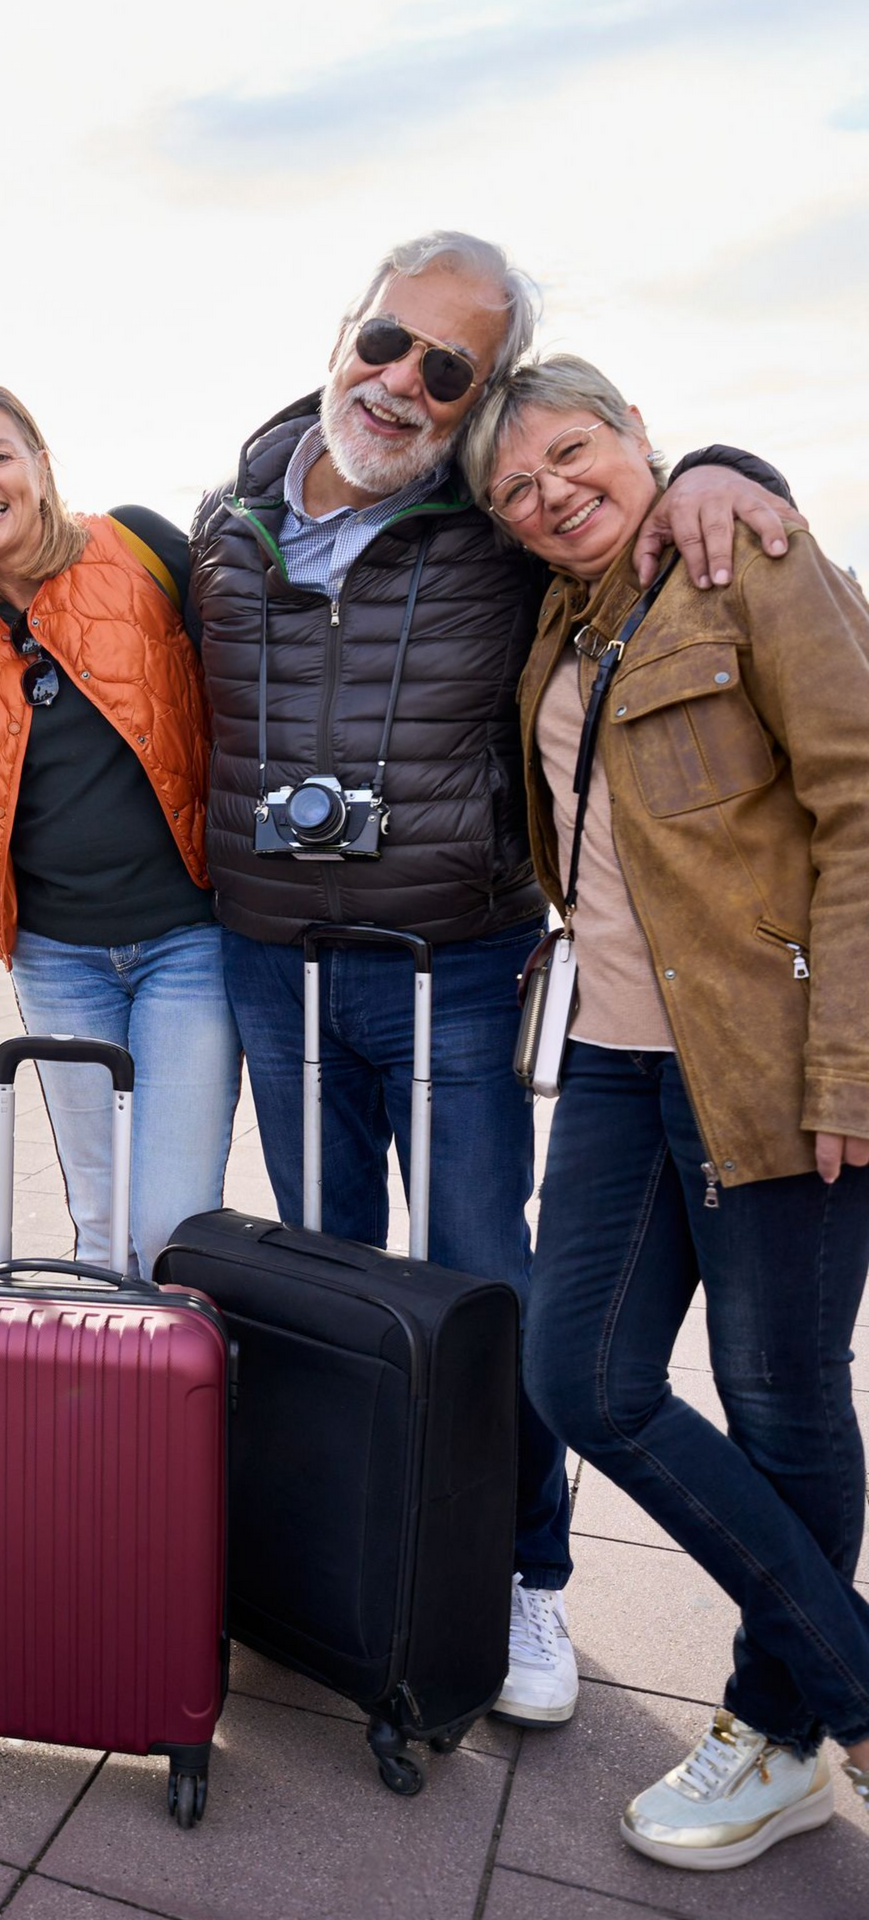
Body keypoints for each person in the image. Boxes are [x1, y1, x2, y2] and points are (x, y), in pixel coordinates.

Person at [187, 229, 798, 1732]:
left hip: (449, 967)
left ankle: (524, 1576)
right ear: (349, 329)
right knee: (317, 1281)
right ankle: (341, 1562)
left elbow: (638, 521)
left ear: (478, 401)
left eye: (447, 371)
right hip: (274, 965)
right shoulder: (221, 520)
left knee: (486, 1285)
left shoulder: (496, 527)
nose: (400, 383)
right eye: (389, 343)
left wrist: (729, 458)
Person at [456, 355, 869, 1867]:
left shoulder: (747, 553)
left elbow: (862, 795)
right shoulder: (567, 619)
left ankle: (777, 1732)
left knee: (782, 1402)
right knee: (582, 1376)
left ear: (636, 432)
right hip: (624, 1065)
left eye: (574, 453)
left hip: (769, 1060)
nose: (551, 493)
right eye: (517, 488)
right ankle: (856, 1688)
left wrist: (852, 1064)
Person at [0, 379, 234, 1277]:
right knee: (99, 1225)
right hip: (58, 960)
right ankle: (126, 1410)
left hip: (187, 947)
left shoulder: (136, 545)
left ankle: (187, 1391)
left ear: (41, 469)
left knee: (167, 1223)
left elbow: (247, 669)